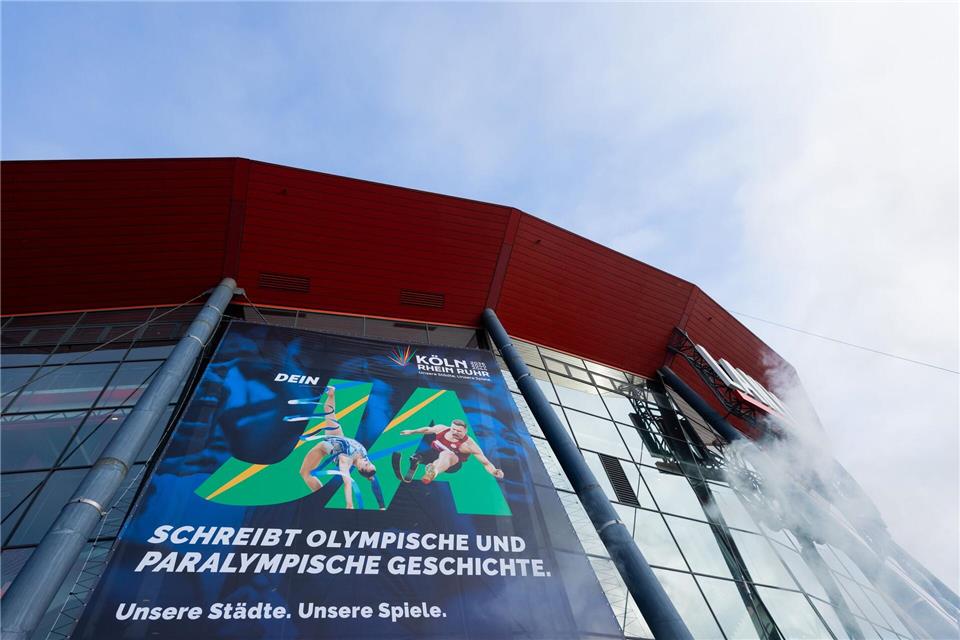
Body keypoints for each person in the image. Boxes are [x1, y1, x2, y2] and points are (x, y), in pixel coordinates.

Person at [399, 419, 504, 484]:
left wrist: (494, 471)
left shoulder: (468, 445)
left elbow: (485, 462)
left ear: (465, 431)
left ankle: (433, 472)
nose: (455, 432)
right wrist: (412, 432)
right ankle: (416, 463)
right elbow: (427, 429)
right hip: (434, 454)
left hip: (452, 464)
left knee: (446, 454)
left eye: (459, 431)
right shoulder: (441, 429)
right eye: (453, 429)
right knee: (416, 456)